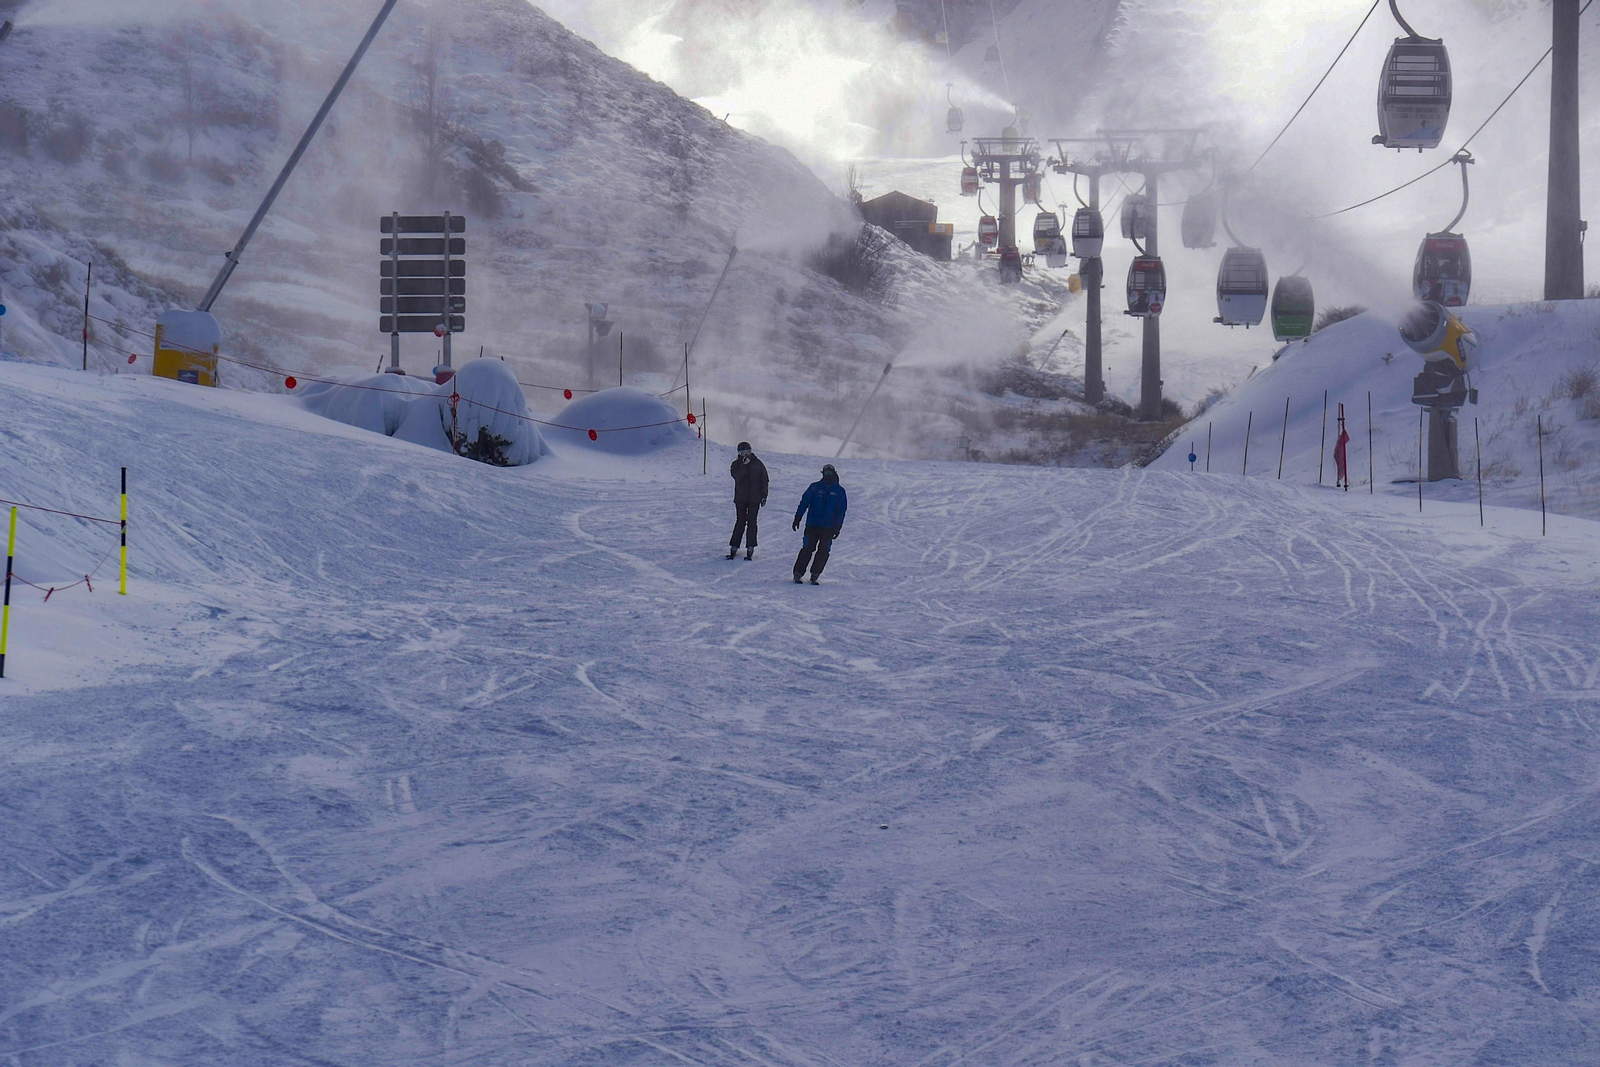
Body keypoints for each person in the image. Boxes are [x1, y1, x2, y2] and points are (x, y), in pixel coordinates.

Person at [791, 463, 847, 585]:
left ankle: (815, 573)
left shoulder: (839, 491)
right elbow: (804, 502)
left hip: (828, 527)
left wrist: (838, 526)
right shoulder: (815, 487)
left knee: (823, 551)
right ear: (822, 473)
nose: (828, 475)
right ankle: (798, 572)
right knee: (807, 548)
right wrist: (798, 517)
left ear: (834, 473)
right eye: (826, 473)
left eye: (830, 473)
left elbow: (841, 511)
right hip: (812, 525)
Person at [727, 441, 768, 560]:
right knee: (740, 521)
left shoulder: (758, 464)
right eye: (743, 452)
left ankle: (750, 546)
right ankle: (734, 545)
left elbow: (764, 480)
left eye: (747, 452)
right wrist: (744, 465)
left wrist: (764, 495)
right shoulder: (736, 464)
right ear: (739, 453)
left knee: (752, 522)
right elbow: (737, 477)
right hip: (741, 498)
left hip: (754, 499)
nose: (745, 455)